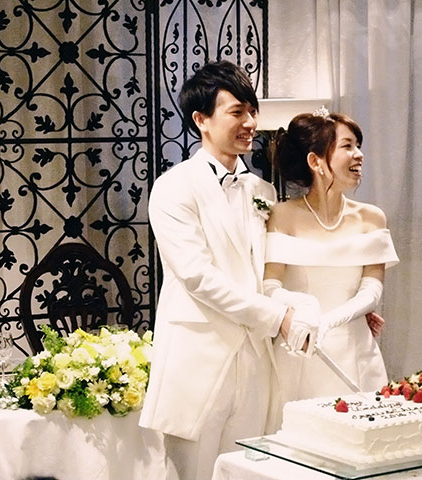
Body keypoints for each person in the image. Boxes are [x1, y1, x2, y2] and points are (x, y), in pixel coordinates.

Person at [139, 60, 319, 480]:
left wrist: (322, 305)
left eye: (252, 111)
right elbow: (197, 277)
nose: (250, 123)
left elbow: (272, 270)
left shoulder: (263, 190)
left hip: (257, 361)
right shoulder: (173, 187)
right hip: (198, 359)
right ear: (201, 120)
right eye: (237, 112)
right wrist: (277, 317)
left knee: (249, 471)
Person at [264, 109, 399, 430]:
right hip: (300, 347)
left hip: (355, 349)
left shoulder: (371, 218)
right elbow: (270, 286)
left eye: (358, 146)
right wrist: (305, 308)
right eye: (348, 146)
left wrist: (329, 321)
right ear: (316, 161)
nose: (359, 154)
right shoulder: (281, 215)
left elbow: (372, 291)